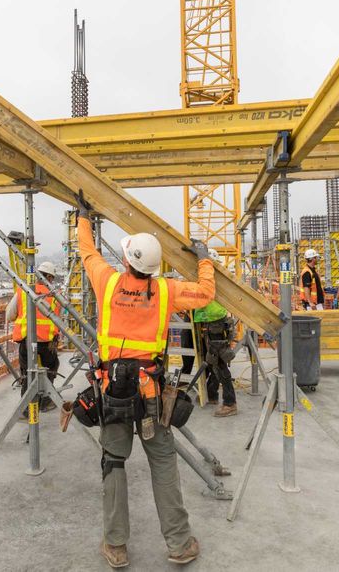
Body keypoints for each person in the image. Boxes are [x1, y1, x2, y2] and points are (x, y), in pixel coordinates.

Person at [75, 190, 210, 568]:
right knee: (163, 461)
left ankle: (116, 546)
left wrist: (83, 217)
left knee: (114, 463)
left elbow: (88, 253)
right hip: (150, 394)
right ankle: (180, 544)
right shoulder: (166, 291)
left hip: (114, 392)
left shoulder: (108, 282)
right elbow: (205, 293)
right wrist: (204, 260)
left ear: (127, 259)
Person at [5, 261, 60, 412]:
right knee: (51, 368)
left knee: (27, 373)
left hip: (27, 340)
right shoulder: (55, 295)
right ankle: (45, 401)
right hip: (47, 342)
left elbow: (9, 315)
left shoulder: (23, 291)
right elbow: (58, 320)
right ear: (49, 277)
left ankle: (26, 409)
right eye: (52, 278)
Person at [193, 296, 238, 417]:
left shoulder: (209, 280)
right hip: (212, 320)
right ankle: (212, 394)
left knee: (219, 365)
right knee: (214, 362)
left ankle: (230, 403)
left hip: (216, 320)